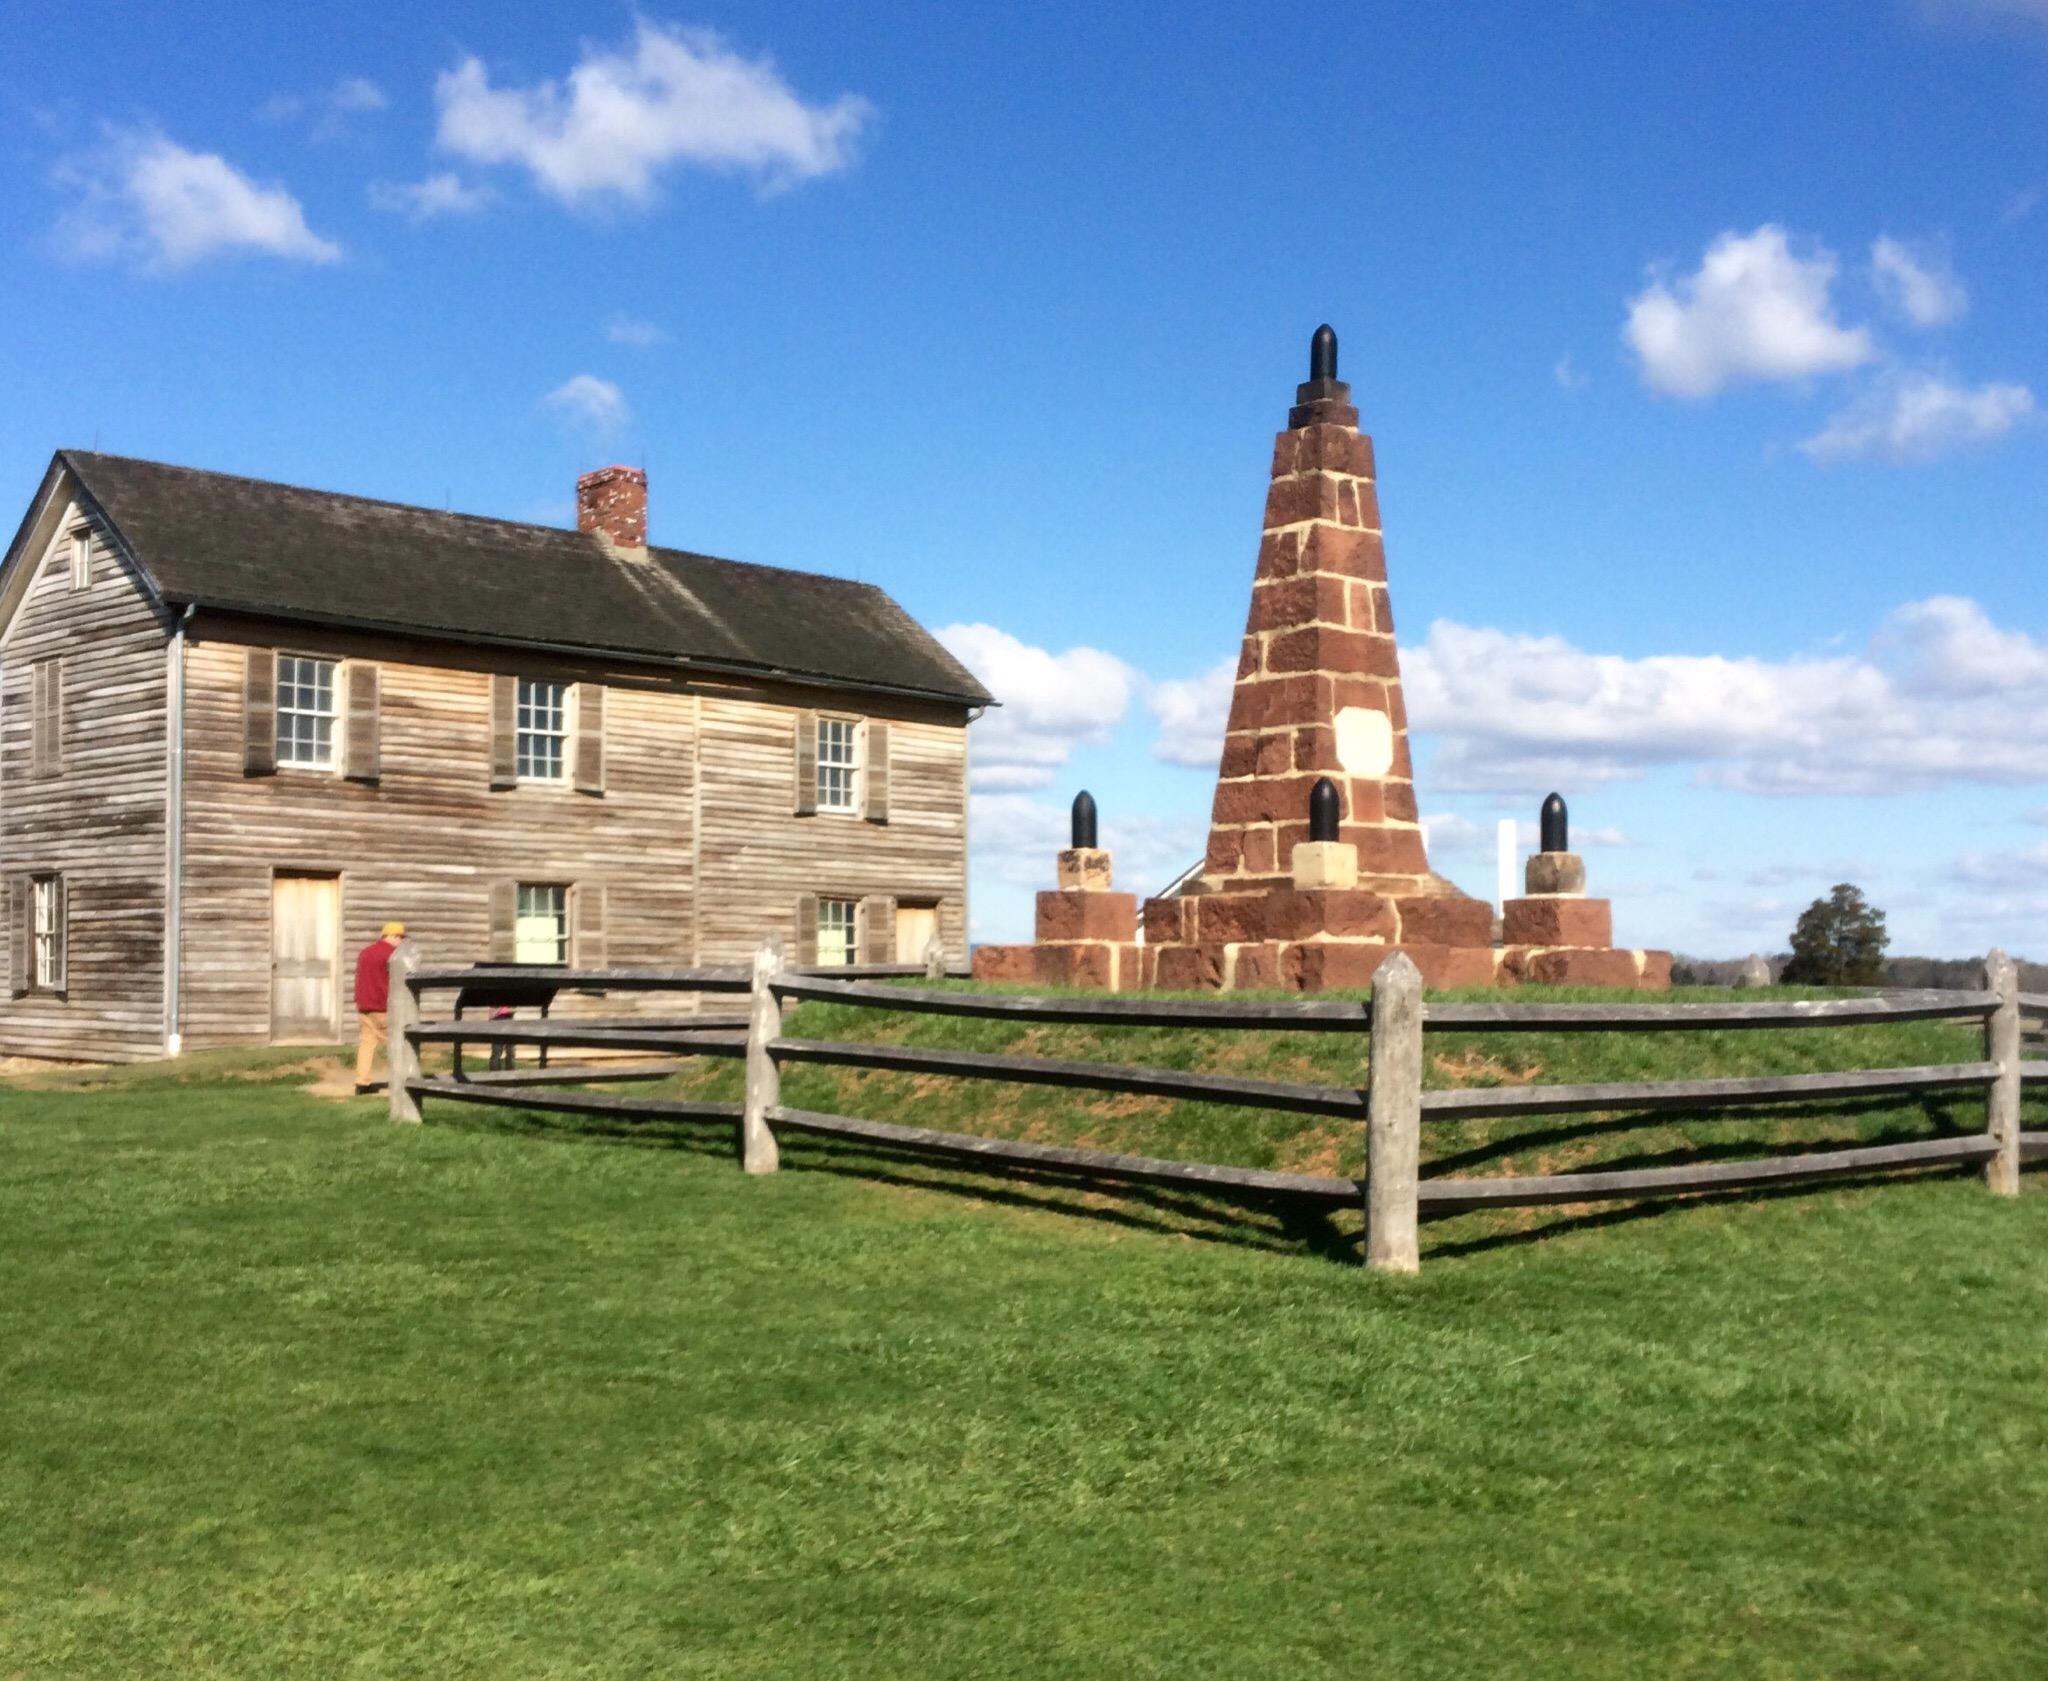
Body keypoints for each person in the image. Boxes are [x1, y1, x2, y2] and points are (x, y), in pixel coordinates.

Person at [353, 922, 406, 1094]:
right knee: (397, 1043)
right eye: (400, 937)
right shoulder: (392, 955)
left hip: (364, 1005)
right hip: (382, 1006)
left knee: (367, 1044)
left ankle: (362, 1083)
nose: (401, 941)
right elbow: (397, 982)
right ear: (392, 936)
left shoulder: (365, 952)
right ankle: (401, 1081)